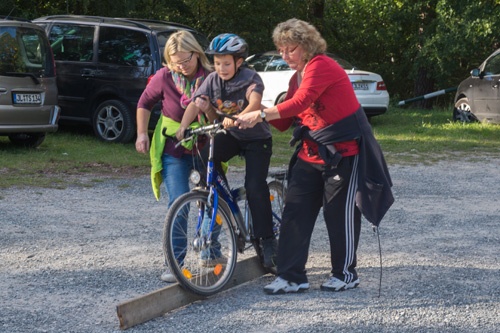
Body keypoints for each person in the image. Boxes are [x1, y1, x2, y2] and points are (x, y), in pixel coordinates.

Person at [235, 18, 394, 294]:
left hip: (344, 153)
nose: (285, 55)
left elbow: (300, 102)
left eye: (290, 49)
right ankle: (291, 276)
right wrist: (253, 107)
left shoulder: (321, 66)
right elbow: (286, 119)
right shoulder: (296, 76)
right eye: (281, 50)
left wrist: (260, 113)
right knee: (295, 211)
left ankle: (345, 274)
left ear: (307, 46)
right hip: (311, 155)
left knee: (339, 214)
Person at [176, 33, 277, 268]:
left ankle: (268, 241)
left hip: (256, 137)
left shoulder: (250, 77)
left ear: (239, 61)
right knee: (204, 160)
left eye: (226, 63)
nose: (221, 68)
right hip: (231, 135)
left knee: (255, 186)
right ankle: (222, 199)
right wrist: (183, 127)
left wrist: (244, 116)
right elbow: (195, 102)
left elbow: (254, 101)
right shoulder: (212, 80)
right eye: (218, 63)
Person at [135, 30, 213, 283]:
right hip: (174, 150)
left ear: (196, 53)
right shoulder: (164, 77)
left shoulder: (211, 78)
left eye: (185, 60)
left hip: (205, 148)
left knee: (213, 202)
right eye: (175, 61)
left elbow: (220, 116)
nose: (181, 66)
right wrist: (141, 134)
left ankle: (210, 253)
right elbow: (144, 103)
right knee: (178, 205)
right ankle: (176, 264)